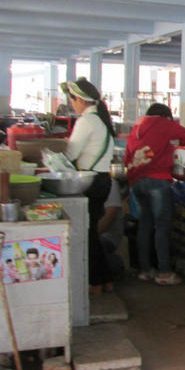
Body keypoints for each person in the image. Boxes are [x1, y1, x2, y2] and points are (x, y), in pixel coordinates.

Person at [124, 103, 185, 286]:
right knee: (162, 226)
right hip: (157, 181)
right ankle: (164, 272)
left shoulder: (138, 127)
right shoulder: (163, 124)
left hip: (137, 182)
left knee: (145, 225)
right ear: (167, 117)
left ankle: (145, 270)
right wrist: (182, 148)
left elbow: (128, 157)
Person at [60, 77, 115, 295]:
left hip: (90, 182)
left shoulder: (86, 122)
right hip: (101, 180)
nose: (72, 104)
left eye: (72, 100)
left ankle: (95, 282)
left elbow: (70, 155)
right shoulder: (99, 120)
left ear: (80, 100)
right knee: (91, 232)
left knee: (87, 234)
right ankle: (104, 279)